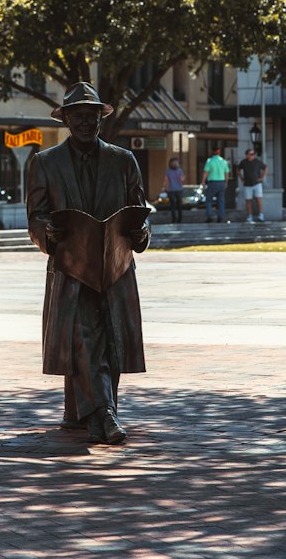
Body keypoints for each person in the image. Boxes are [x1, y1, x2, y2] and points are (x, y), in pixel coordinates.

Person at [27, 82, 149, 445]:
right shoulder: (44, 163)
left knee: (111, 340)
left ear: (100, 118)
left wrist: (142, 233)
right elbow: (34, 217)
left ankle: (87, 414)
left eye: (91, 115)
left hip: (115, 266)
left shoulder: (123, 161)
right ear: (65, 119)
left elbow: (139, 212)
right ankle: (106, 414)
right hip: (71, 267)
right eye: (77, 115)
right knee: (83, 336)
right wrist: (44, 231)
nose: (85, 121)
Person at [239, 147, 268, 223]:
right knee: (248, 200)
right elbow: (238, 169)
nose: (252, 155)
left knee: (259, 199)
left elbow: (265, 167)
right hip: (247, 184)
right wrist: (241, 177)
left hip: (257, 183)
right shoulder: (243, 162)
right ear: (247, 155)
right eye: (251, 154)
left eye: (253, 154)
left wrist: (262, 177)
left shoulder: (257, 162)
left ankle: (261, 215)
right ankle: (249, 216)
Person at [202, 146, 230, 223]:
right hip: (221, 182)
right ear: (219, 151)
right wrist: (226, 182)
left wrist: (203, 181)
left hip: (212, 182)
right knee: (221, 200)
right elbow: (226, 173)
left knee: (209, 200)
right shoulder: (223, 161)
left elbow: (206, 172)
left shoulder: (209, 161)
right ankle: (221, 216)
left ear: (212, 152)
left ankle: (210, 216)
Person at [162, 155, 185, 223]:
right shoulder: (180, 170)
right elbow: (181, 179)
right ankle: (180, 219)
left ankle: (173, 219)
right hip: (179, 189)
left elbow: (166, 180)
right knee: (179, 205)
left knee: (173, 205)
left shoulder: (168, 171)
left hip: (171, 190)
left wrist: (164, 187)